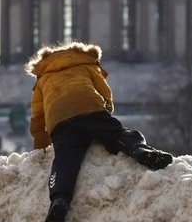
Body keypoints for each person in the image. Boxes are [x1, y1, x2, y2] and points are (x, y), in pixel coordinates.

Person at [25, 42, 173, 222]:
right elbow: (104, 91)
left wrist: (42, 147)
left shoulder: (43, 77)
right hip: (90, 109)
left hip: (60, 120)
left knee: (65, 161)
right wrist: (106, 111)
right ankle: (140, 151)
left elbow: (37, 117)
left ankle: (59, 200)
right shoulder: (86, 64)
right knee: (118, 135)